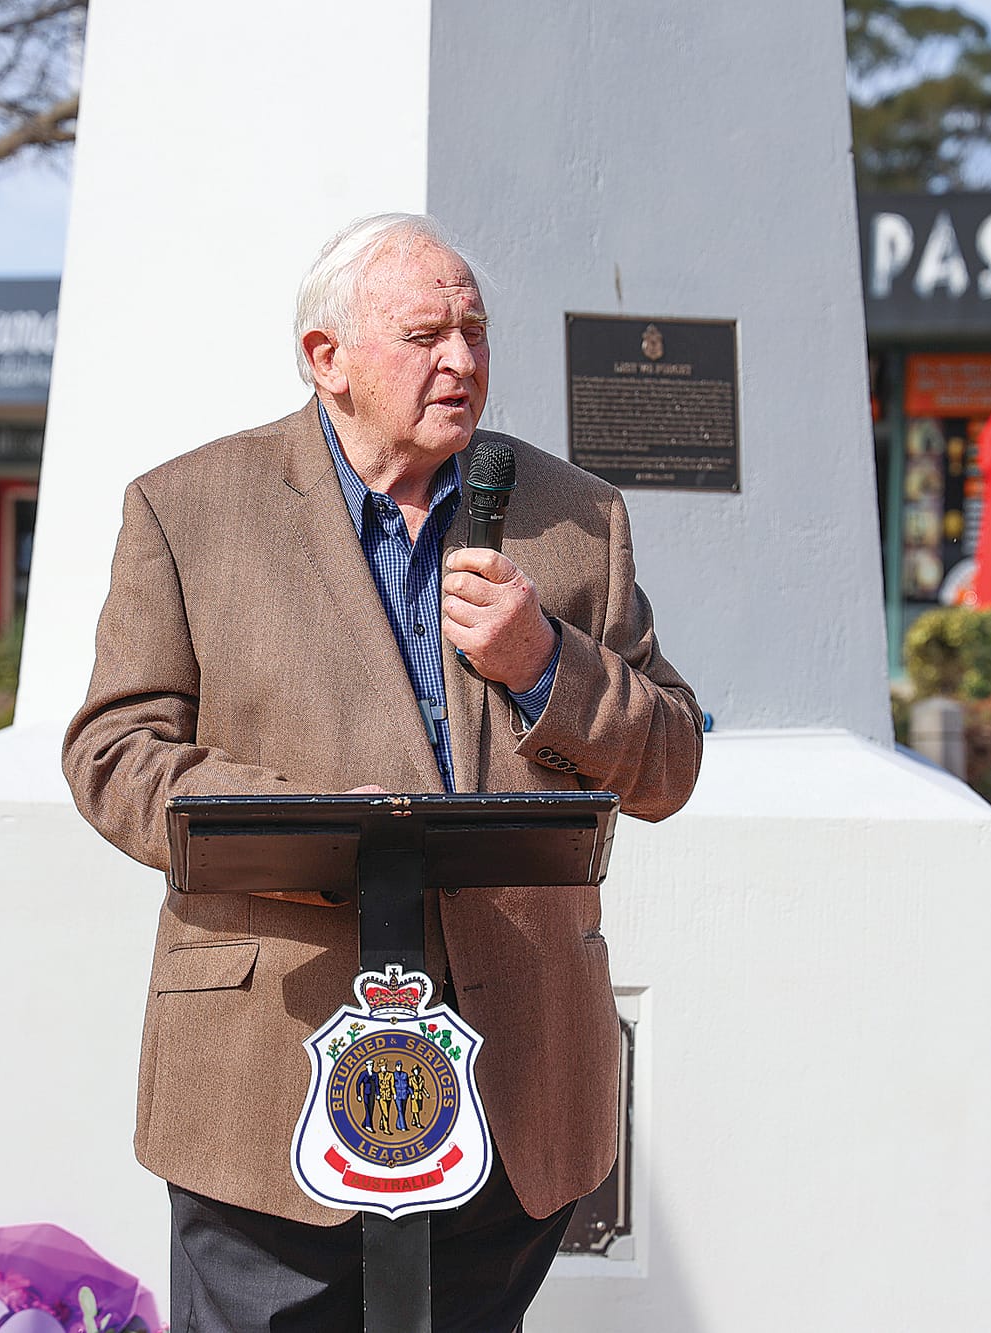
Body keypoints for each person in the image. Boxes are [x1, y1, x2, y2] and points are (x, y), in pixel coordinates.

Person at [62, 213, 702, 1332]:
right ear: (327, 358)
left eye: (474, 331)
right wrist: (307, 830)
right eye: (424, 334)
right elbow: (115, 752)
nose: (461, 361)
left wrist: (547, 666)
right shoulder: (188, 509)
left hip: (510, 1075)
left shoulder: (576, 518)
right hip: (268, 1069)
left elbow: (669, 761)